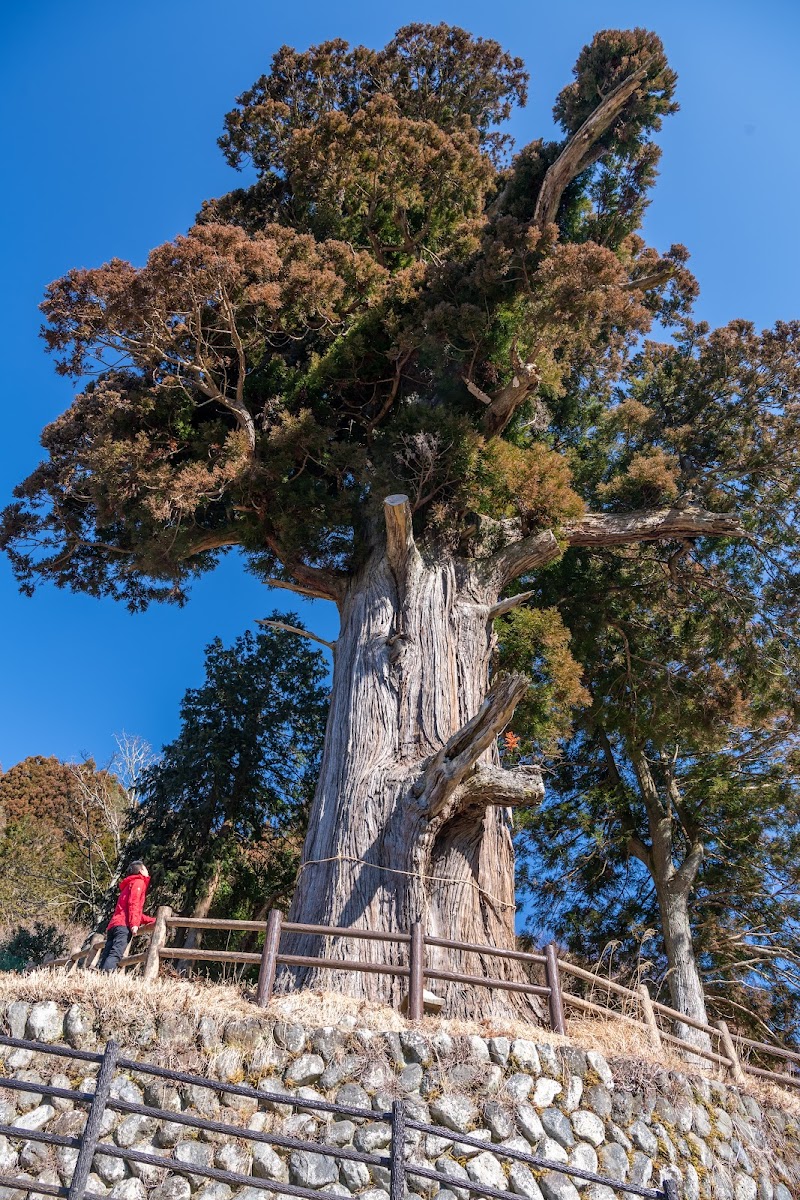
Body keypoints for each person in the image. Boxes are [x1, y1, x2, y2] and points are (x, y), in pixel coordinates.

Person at [97, 861, 155, 971]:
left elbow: (134, 911)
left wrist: (152, 920)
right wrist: (134, 924)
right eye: (146, 869)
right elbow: (133, 904)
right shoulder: (139, 883)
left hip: (114, 925)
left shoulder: (128, 885)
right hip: (123, 925)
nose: (148, 871)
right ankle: (106, 977)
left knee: (107, 954)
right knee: (116, 954)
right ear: (141, 871)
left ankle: (99, 977)